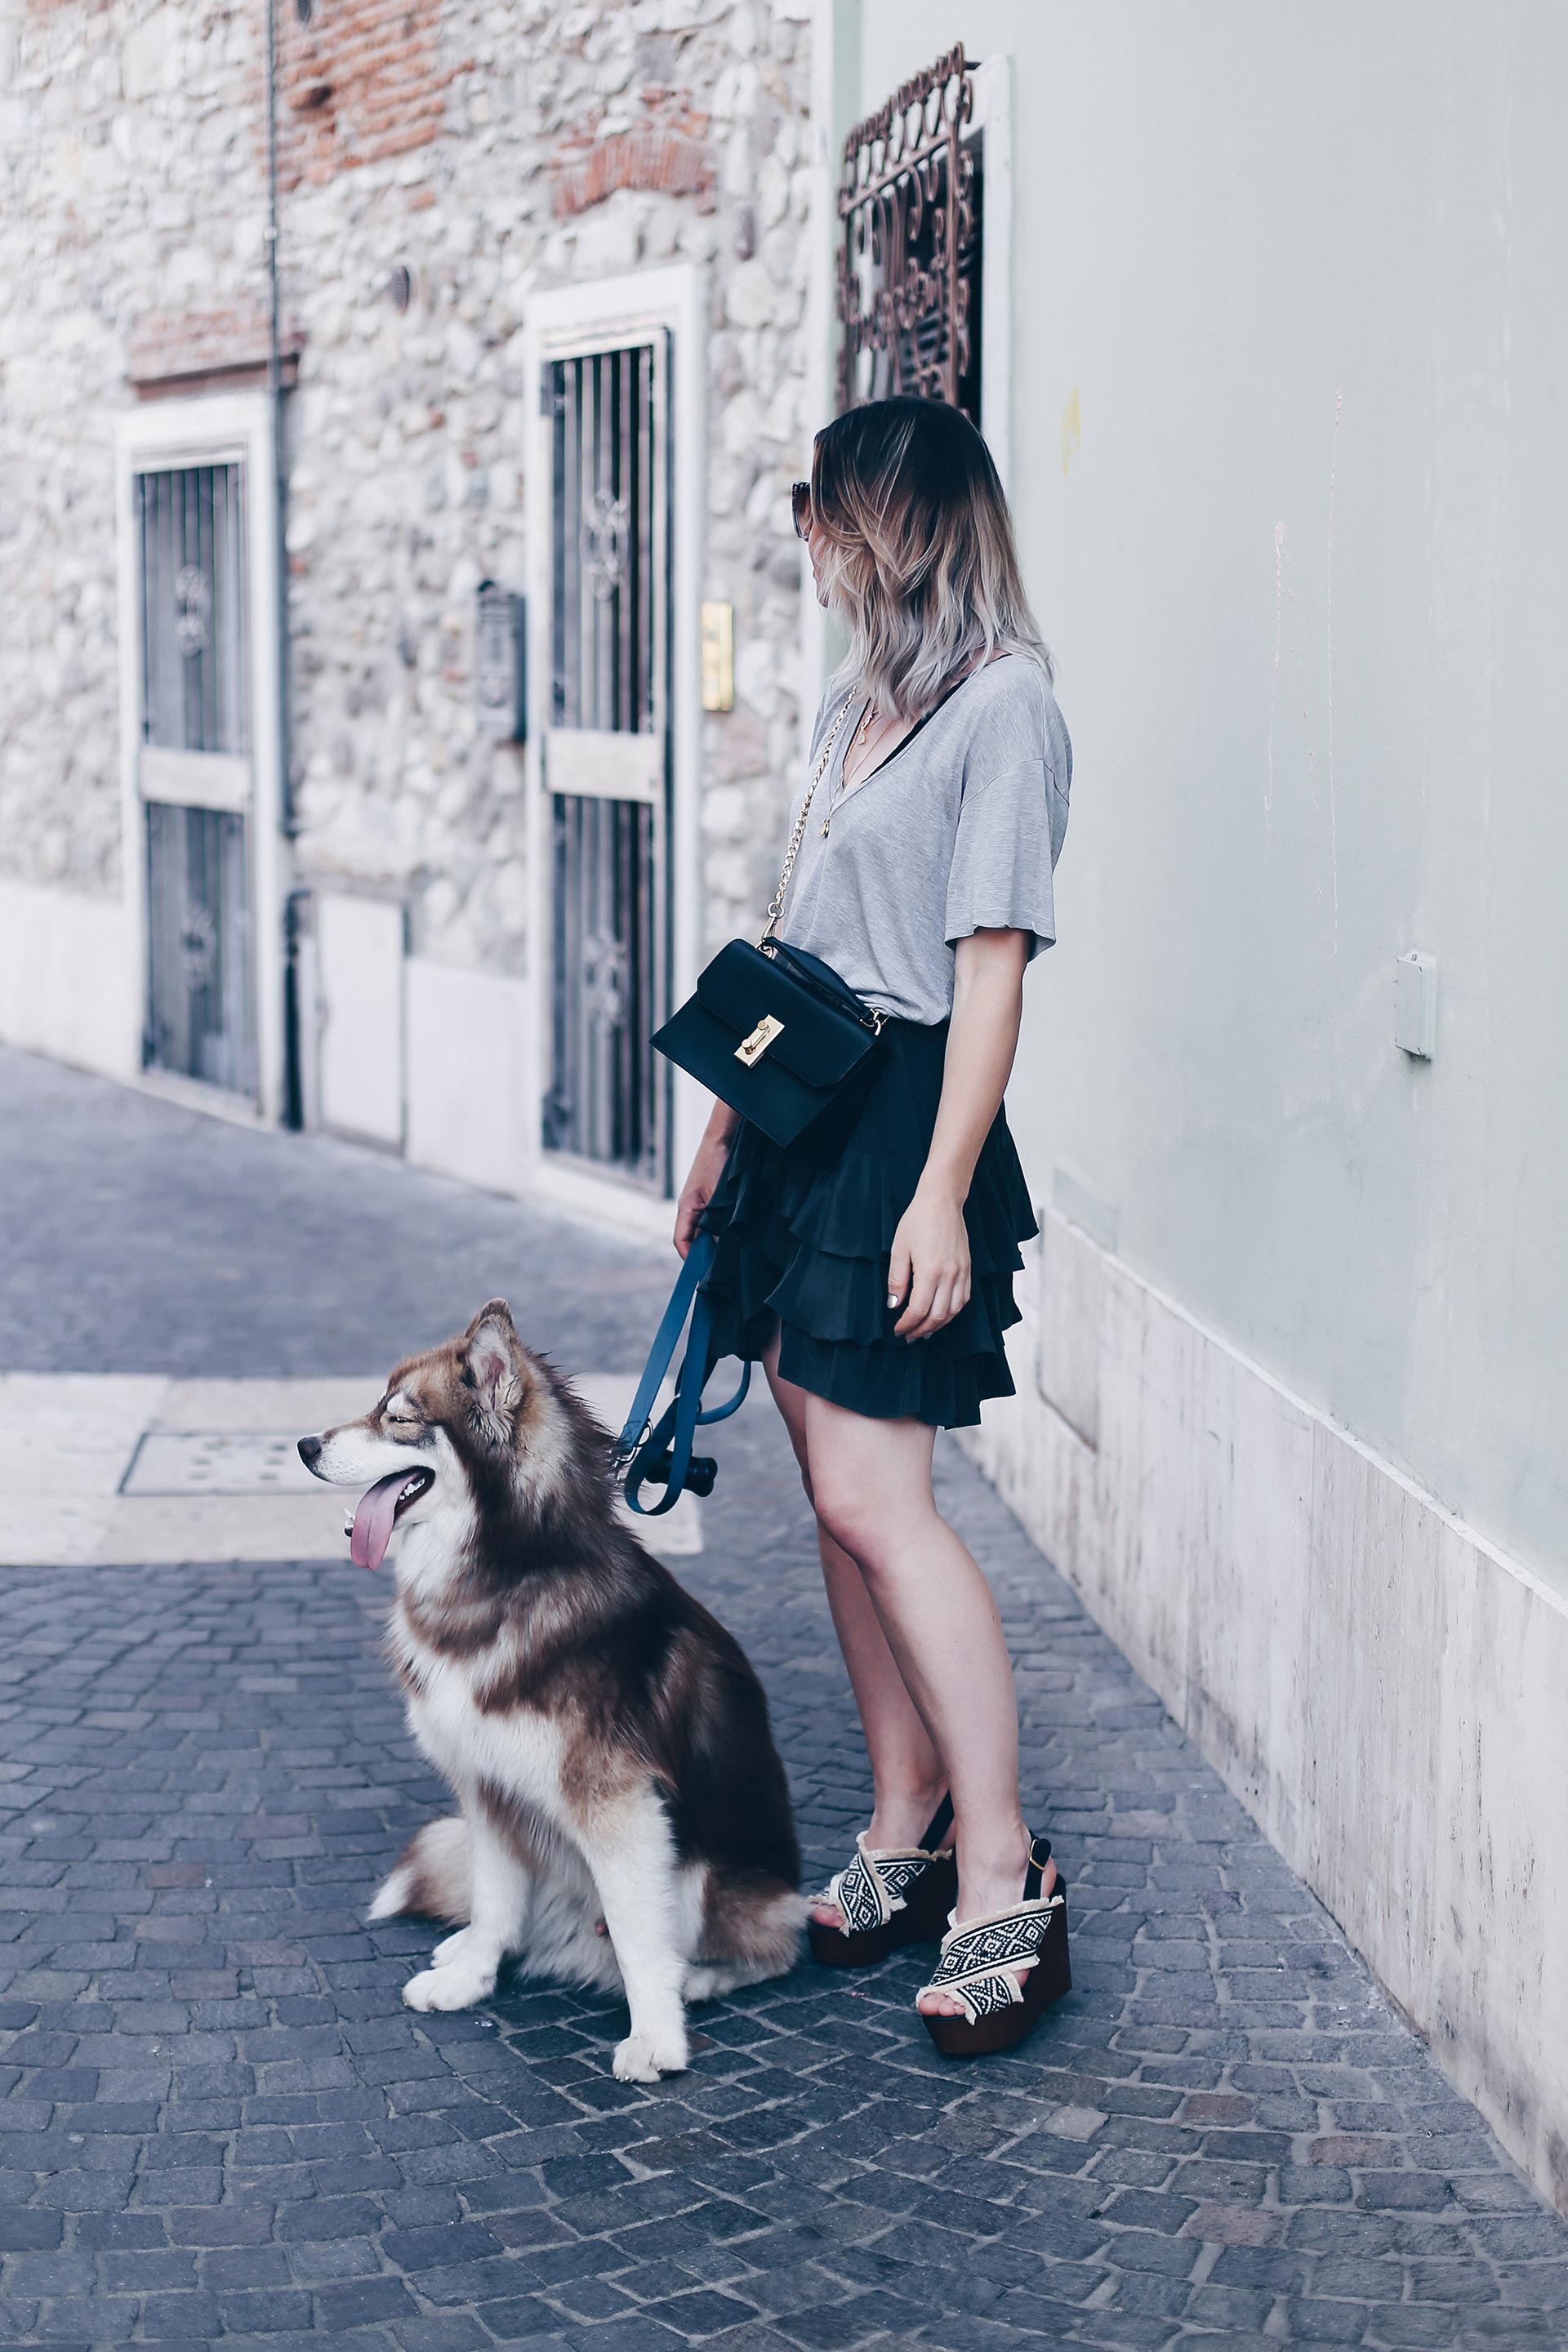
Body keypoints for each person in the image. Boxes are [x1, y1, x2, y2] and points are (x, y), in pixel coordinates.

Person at [673, 397, 1073, 2055]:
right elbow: (799, 944)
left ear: (898, 529)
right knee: (833, 1503)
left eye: (834, 521)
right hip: (803, 1115)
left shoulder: (1009, 713)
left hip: (908, 1121)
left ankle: (1005, 1876)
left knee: (878, 1497)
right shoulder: (856, 696)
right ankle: (904, 1820)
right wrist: (721, 1128)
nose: (819, 550)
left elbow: (989, 972)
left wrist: (936, 1193)